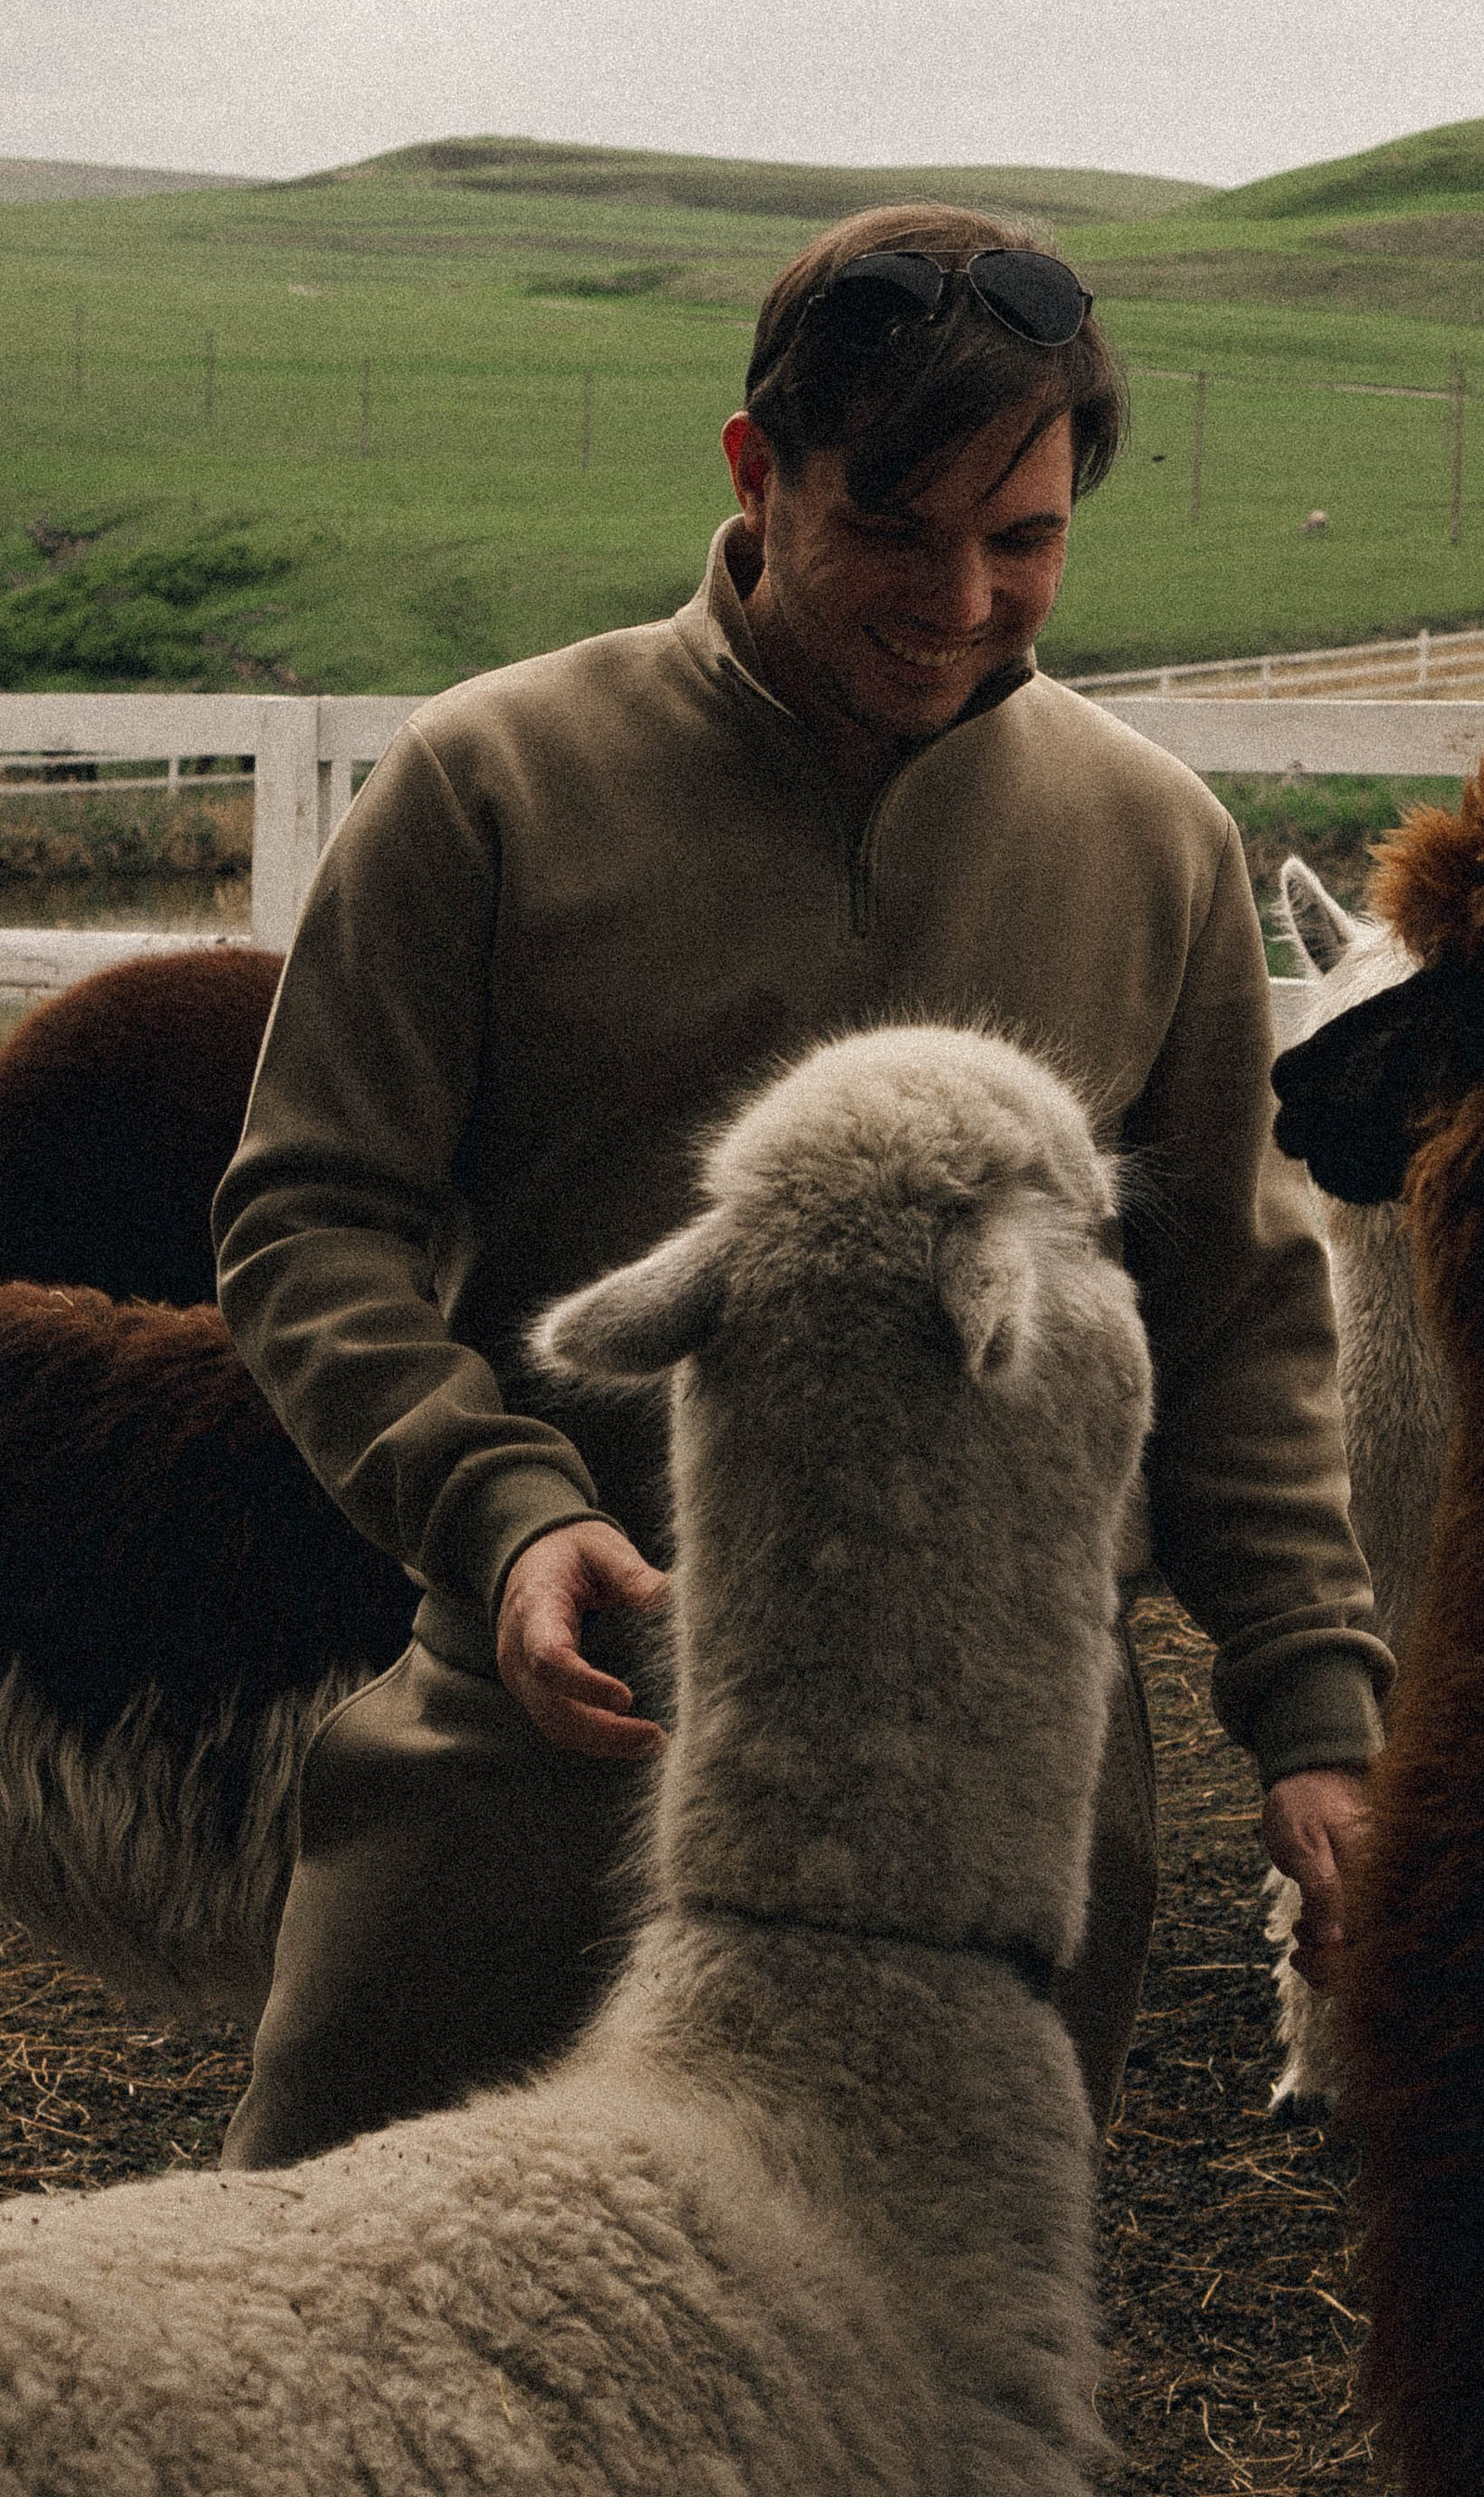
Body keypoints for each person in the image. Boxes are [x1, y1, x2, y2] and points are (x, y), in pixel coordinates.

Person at [213, 201, 1388, 2170]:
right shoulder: (488, 786)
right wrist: (498, 1519)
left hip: (1004, 1808)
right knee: (339, 2350)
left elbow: (1241, 1320)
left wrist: (1314, 1712)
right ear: (756, 475)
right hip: (560, 1740)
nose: (957, 599)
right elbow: (305, 1221)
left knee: (898, 2386)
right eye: (893, 528)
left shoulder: (1149, 846)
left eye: (1021, 541)